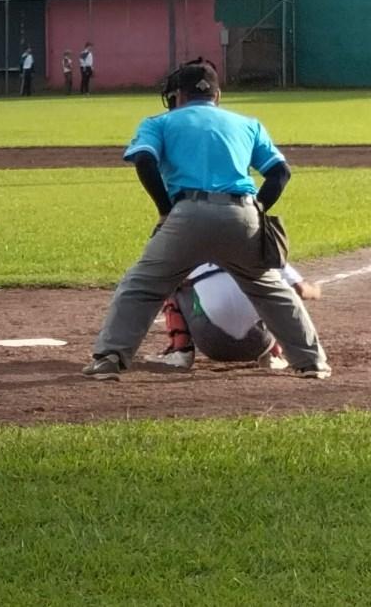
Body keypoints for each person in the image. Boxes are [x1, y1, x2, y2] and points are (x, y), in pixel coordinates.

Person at [83, 59, 330, 380]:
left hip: (188, 213)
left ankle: (110, 358)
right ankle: (312, 362)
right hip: (242, 212)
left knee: (142, 286)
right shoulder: (247, 124)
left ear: (178, 96)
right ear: (217, 95)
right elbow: (280, 173)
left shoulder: (159, 123)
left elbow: (144, 161)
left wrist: (164, 209)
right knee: (270, 289)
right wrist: (257, 209)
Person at [146, 263, 321, 371]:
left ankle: (180, 352)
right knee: (277, 291)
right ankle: (273, 354)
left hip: (210, 342)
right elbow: (302, 291)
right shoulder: (263, 249)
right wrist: (316, 290)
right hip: (261, 342)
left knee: (173, 285)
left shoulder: (191, 250)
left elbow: (155, 286)